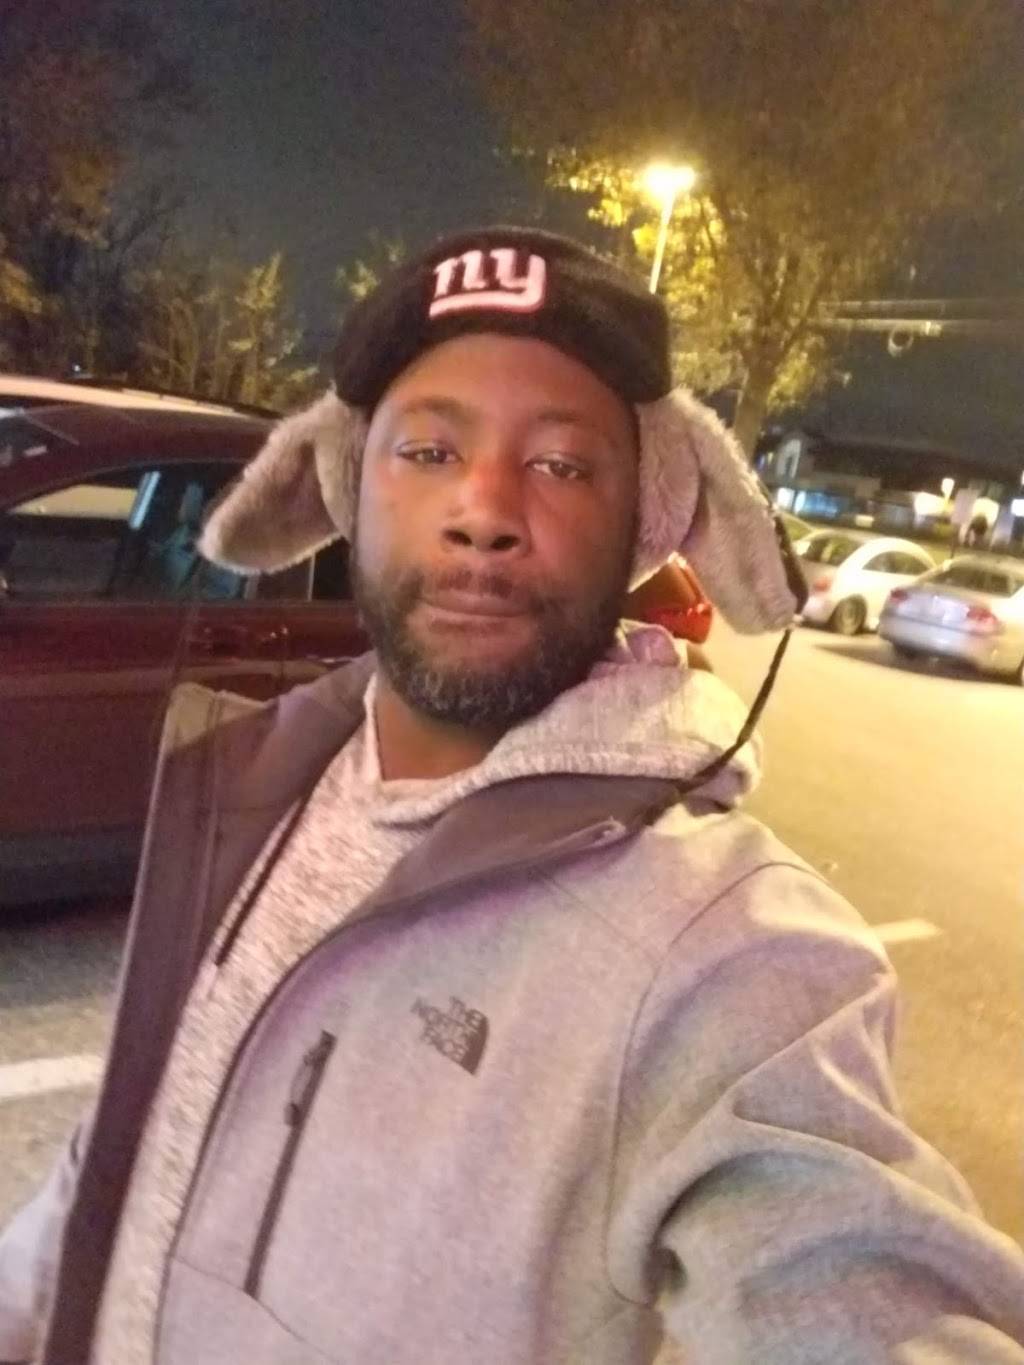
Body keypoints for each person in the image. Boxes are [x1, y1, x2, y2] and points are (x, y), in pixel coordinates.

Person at [2, 227, 1024, 1365]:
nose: (483, 507)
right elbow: (122, 1160)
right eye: (429, 450)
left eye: (561, 465)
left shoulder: (727, 953)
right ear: (343, 486)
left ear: (649, 520)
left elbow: (853, 1283)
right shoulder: (253, 778)